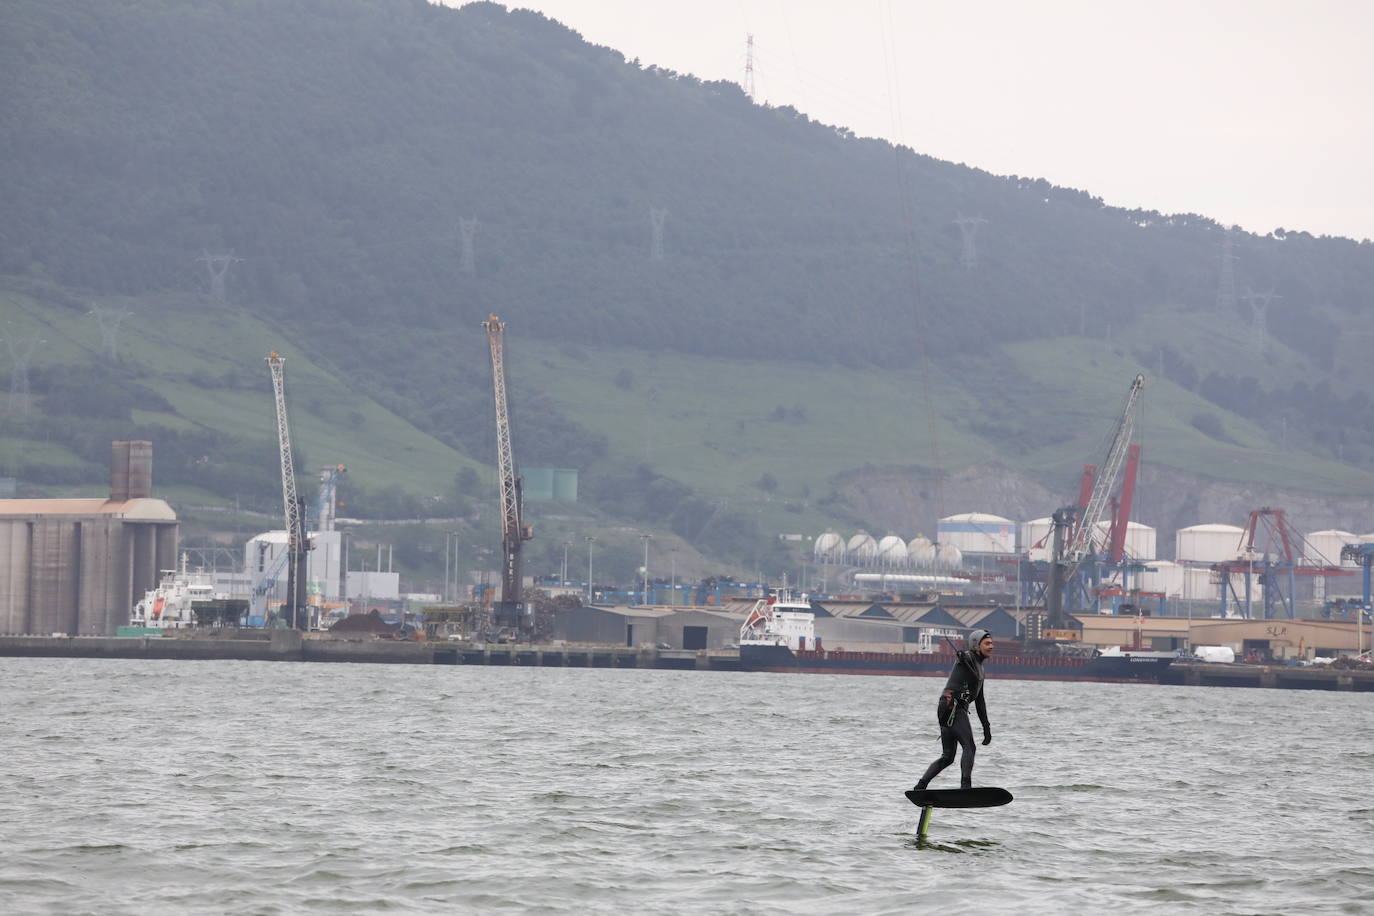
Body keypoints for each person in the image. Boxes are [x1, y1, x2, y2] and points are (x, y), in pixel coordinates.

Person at [913, 628, 994, 791]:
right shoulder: (968, 658)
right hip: (952, 707)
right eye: (987, 643)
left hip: (948, 708)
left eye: (992, 643)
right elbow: (965, 656)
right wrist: (962, 656)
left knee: (948, 757)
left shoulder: (980, 669)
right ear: (976, 646)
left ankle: (920, 786)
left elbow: (980, 701)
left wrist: (986, 727)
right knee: (969, 747)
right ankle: (965, 787)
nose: (991, 646)